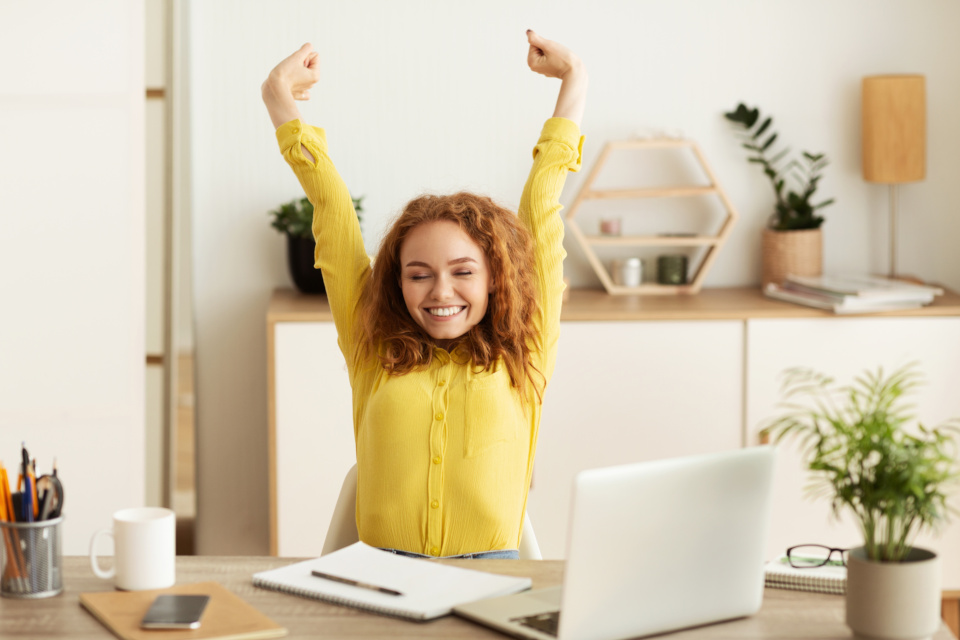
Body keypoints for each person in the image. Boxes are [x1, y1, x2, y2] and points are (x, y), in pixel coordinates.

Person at [262, 30, 587, 559]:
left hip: (492, 588)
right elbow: (333, 217)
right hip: (381, 584)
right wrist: (280, 101)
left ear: (496, 280)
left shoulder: (522, 351)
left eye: (463, 272)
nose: (441, 292)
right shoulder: (372, 346)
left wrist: (575, 81)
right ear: (398, 282)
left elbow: (543, 204)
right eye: (418, 274)